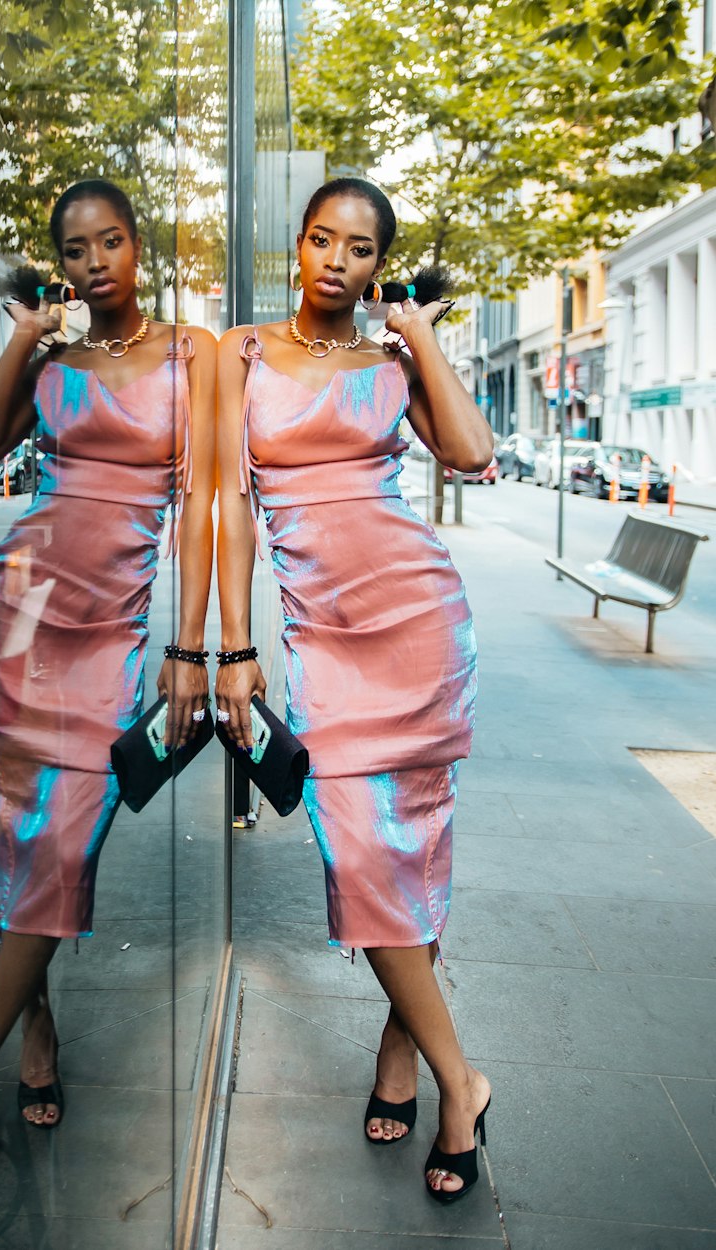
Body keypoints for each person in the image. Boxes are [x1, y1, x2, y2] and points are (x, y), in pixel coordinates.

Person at [215, 177, 494, 1203]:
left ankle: (409, 1058)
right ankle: (463, 1078)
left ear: (381, 266)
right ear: (298, 243)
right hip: (324, 643)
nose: (337, 258)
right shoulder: (240, 356)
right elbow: (232, 506)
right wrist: (231, 643)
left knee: (412, 842)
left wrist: (419, 335)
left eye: (361, 248)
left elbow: (469, 452)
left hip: (421, 622)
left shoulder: (388, 362)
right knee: (360, 852)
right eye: (322, 238)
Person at [0, 179, 216, 1175]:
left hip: (110, 627)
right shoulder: (52, 359)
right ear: (59, 264)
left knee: (65, 838)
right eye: (74, 249)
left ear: (138, 248)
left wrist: (194, 643)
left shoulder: (191, 358)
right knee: (30, 835)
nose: (94, 260)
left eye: (110, 241)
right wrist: (23, 337)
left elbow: (200, 503)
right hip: (21, 610)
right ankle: (27, 1034)